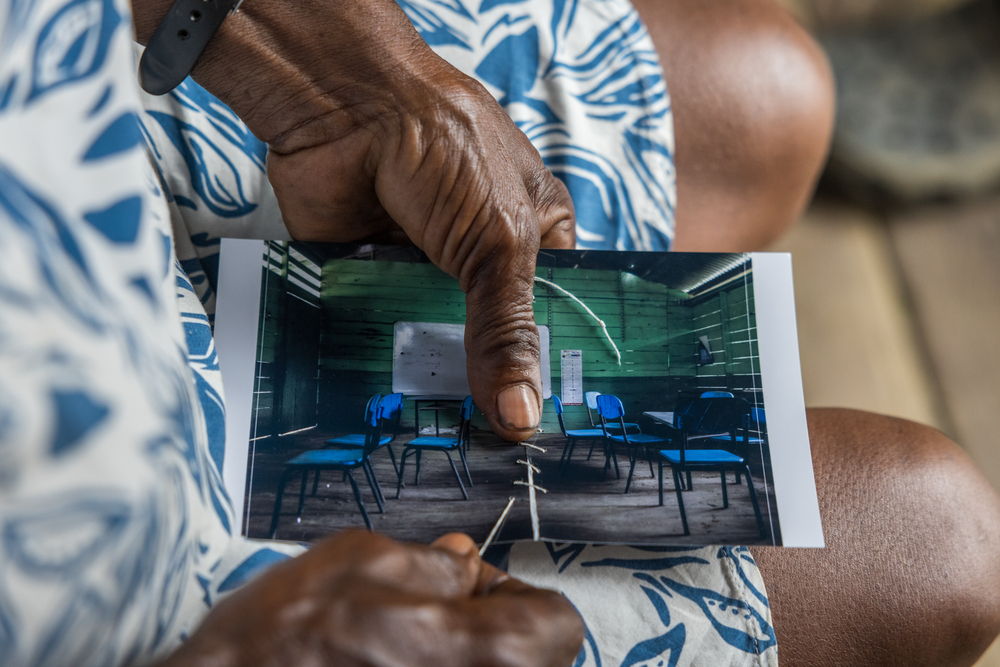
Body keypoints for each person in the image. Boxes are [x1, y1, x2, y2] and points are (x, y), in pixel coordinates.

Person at [1, 1, 998, 666]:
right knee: (932, 536)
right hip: (92, 584)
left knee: (764, 99)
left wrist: (346, 73)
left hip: (51, 133)